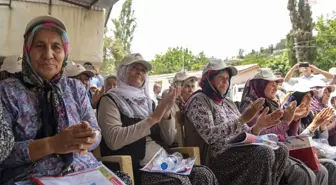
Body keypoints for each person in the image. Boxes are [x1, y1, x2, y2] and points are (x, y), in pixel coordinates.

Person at [0, 15, 131, 184]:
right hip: (31, 177)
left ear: (65, 52)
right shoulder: (7, 91)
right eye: (40, 46)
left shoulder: (75, 88)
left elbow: (96, 132)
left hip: (84, 172)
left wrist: (89, 138)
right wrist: (52, 144)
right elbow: (3, 153)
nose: (48, 55)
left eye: (56, 47)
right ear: (27, 50)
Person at [97, 53, 218, 185]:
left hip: (163, 162)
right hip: (136, 167)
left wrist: (166, 115)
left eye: (143, 70)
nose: (139, 72)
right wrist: (153, 119)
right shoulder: (109, 100)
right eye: (134, 67)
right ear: (122, 71)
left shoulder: (148, 103)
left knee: (204, 174)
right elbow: (113, 140)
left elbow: (169, 139)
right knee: (179, 182)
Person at [184, 59, 288, 185]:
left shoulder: (228, 103)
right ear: (209, 80)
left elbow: (245, 133)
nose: (225, 81)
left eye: (227, 78)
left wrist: (259, 126)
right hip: (216, 159)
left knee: (281, 149)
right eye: (220, 77)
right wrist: (242, 119)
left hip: (237, 153)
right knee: (263, 152)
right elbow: (209, 135)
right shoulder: (199, 100)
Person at [240, 69, 331, 185]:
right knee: (304, 175)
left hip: (283, 150)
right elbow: (261, 137)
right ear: (260, 85)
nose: (275, 88)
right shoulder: (251, 107)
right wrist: (287, 121)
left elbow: (290, 136)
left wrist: (295, 119)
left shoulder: (272, 104)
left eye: (276, 84)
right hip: (269, 155)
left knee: (324, 170)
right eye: (271, 84)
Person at [168, 71, 198, 147]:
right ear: (177, 88)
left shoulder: (189, 105)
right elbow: (170, 138)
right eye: (187, 86)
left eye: (192, 86)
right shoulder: (170, 105)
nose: (191, 90)